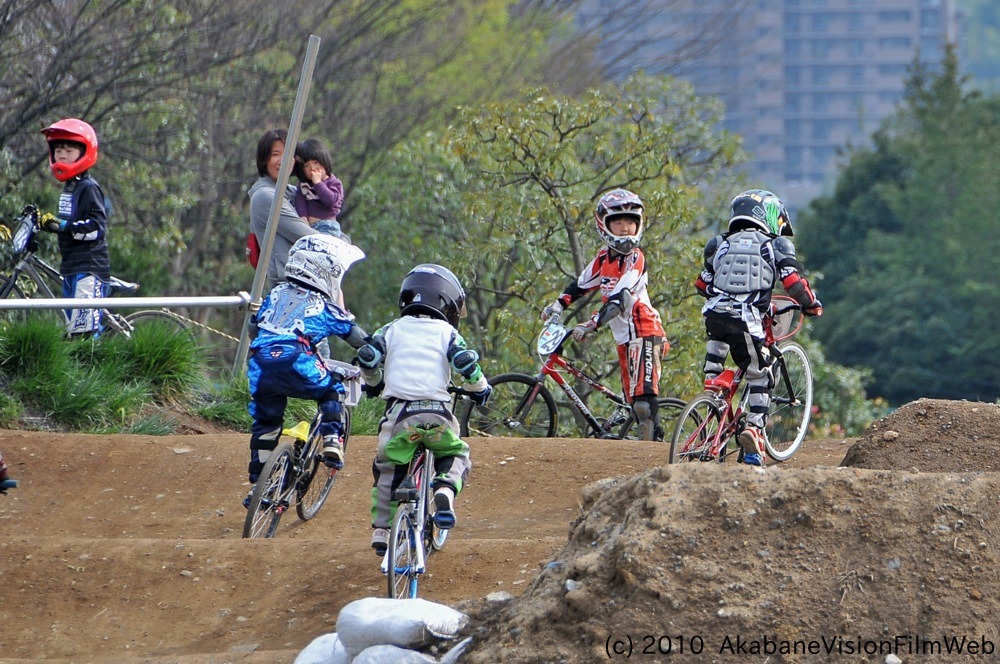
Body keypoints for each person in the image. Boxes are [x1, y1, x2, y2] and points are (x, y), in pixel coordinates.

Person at [355, 264, 492, 556]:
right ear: (449, 301)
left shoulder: (391, 329)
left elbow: (368, 357)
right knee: (456, 454)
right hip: (437, 413)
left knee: (388, 467)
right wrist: (479, 389)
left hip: (399, 416)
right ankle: (444, 488)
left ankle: (383, 528)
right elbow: (466, 364)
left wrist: (375, 382)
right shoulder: (447, 333)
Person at [695, 189, 823, 466]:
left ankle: (713, 393)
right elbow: (793, 282)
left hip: (714, 316)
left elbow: (702, 285)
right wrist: (812, 304)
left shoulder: (717, 243)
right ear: (771, 216)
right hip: (746, 319)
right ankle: (754, 434)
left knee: (717, 376)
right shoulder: (775, 245)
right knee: (761, 375)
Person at [244, 234, 370, 505]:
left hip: (260, 364)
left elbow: (253, 327)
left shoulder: (276, 293)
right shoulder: (322, 304)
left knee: (266, 422)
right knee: (333, 390)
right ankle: (332, 440)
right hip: (297, 361)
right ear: (326, 272)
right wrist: (375, 349)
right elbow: (354, 335)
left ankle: (259, 485)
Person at [540, 189, 667, 441]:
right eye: (618, 222)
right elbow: (580, 285)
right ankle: (654, 441)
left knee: (642, 401)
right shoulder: (603, 258)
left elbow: (620, 299)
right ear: (604, 225)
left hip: (645, 331)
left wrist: (591, 324)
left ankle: (651, 449)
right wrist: (557, 306)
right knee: (631, 400)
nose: (625, 228)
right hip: (624, 336)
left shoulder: (635, 259)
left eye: (631, 222)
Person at [40, 118, 111, 337]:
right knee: (72, 332)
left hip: (88, 268)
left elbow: (97, 228)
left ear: (83, 153)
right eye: (58, 150)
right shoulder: (71, 187)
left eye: (69, 151)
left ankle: (98, 369)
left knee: (84, 334)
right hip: (71, 266)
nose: (62, 155)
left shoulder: (88, 187)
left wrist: (62, 226)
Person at [248, 129, 317, 291]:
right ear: (264, 159)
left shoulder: (293, 192)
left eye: (287, 154)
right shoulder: (266, 197)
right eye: (275, 155)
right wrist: (341, 245)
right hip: (289, 288)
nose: (282, 161)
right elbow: (307, 237)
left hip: (311, 284)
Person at [293, 138, 345, 240]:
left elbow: (331, 201)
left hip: (327, 226)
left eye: (316, 162)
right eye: (306, 166)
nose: (312, 168)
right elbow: (300, 203)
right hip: (309, 226)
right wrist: (303, 219)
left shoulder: (334, 183)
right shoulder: (304, 186)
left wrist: (318, 184)